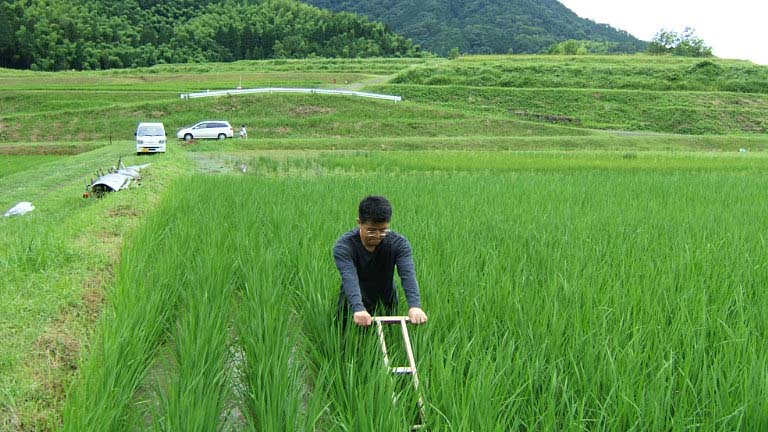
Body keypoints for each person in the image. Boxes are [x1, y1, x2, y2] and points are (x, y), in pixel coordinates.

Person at [334, 195, 428, 327]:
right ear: (359, 222)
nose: (378, 236)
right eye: (371, 230)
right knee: (348, 343)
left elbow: (408, 274)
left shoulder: (399, 244)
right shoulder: (344, 247)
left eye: (383, 230)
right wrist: (358, 308)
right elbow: (349, 277)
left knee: (388, 341)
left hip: (385, 302)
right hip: (353, 303)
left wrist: (415, 306)